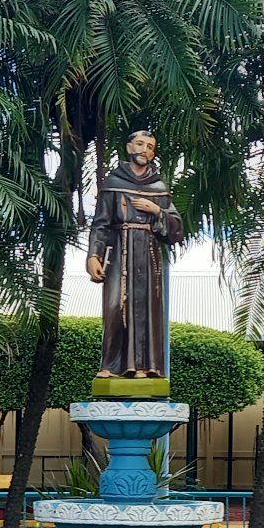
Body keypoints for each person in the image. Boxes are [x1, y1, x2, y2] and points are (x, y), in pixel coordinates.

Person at [86, 130, 184, 379]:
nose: (145, 150)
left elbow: (176, 229)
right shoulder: (113, 184)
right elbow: (100, 224)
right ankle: (111, 365)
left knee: (147, 308)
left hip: (148, 255)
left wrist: (156, 211)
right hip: (119, 252)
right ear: (129, 148)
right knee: (115, 305)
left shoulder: (158, 188)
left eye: (150, 147)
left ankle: (145, 367)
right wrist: (94, 256)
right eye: (140, 144)